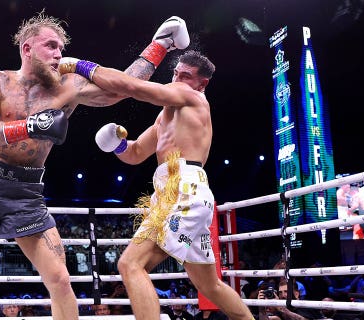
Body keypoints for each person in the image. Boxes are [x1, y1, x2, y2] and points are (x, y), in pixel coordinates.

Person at [0, 10, 190, 320]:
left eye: (61, 47)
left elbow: (121, 88)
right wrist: (30, 127)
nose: (58, 54)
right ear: (27, 48)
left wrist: (159, 46)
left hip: (26, 190)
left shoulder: (68, 86)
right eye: (50, 46)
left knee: (61, 281)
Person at [58, 50, 253, 320]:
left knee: (130, 264)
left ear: (201, 84)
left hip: (184, 189)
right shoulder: (164, 117)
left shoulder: (192, 97)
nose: (176, 79)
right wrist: (117, 144)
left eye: (185, 76)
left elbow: (132, 86)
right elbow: (136, 153)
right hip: (172, 191)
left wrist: (79, 65)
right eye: (175, 73)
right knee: (209, 285)